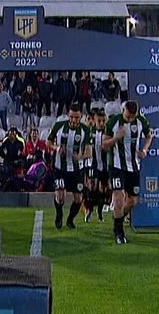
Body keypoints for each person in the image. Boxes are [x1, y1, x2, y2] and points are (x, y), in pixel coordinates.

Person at [102, 100, 153, 244]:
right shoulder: (113, 123)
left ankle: (117, 219)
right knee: (119, 198)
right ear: (123, 110)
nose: (131, 119)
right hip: (116, 166)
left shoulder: (141, 121)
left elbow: (149, 136)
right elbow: (104, 145)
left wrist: (144, 149)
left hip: (134, 166)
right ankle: (119, 232)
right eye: (128, 116)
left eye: (133, 117)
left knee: (132, 201)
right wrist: (116, 138)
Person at [47, 104, 92, 230]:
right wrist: (57, 148)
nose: (73, 120)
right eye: (71, 117)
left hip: (77, 169)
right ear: (68, 116)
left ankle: (70, 220)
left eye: (77, 117)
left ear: (81, 117)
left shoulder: (85, 130)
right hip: (59, 168)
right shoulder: (59, 126)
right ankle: (59, 214)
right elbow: (48, 142)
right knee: (60, 196)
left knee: (78, 199)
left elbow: (89, 152)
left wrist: (80, 157)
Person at [85, 108, 111, 222]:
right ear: (95, 121)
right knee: (92, 186)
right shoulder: (90, 132)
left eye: (103, 121)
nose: (101, 123)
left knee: (103, 189)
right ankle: (89, 210)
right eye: (99, 121)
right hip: (93, 163)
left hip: (105, 165)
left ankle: (99, 212)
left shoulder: (109, 132)